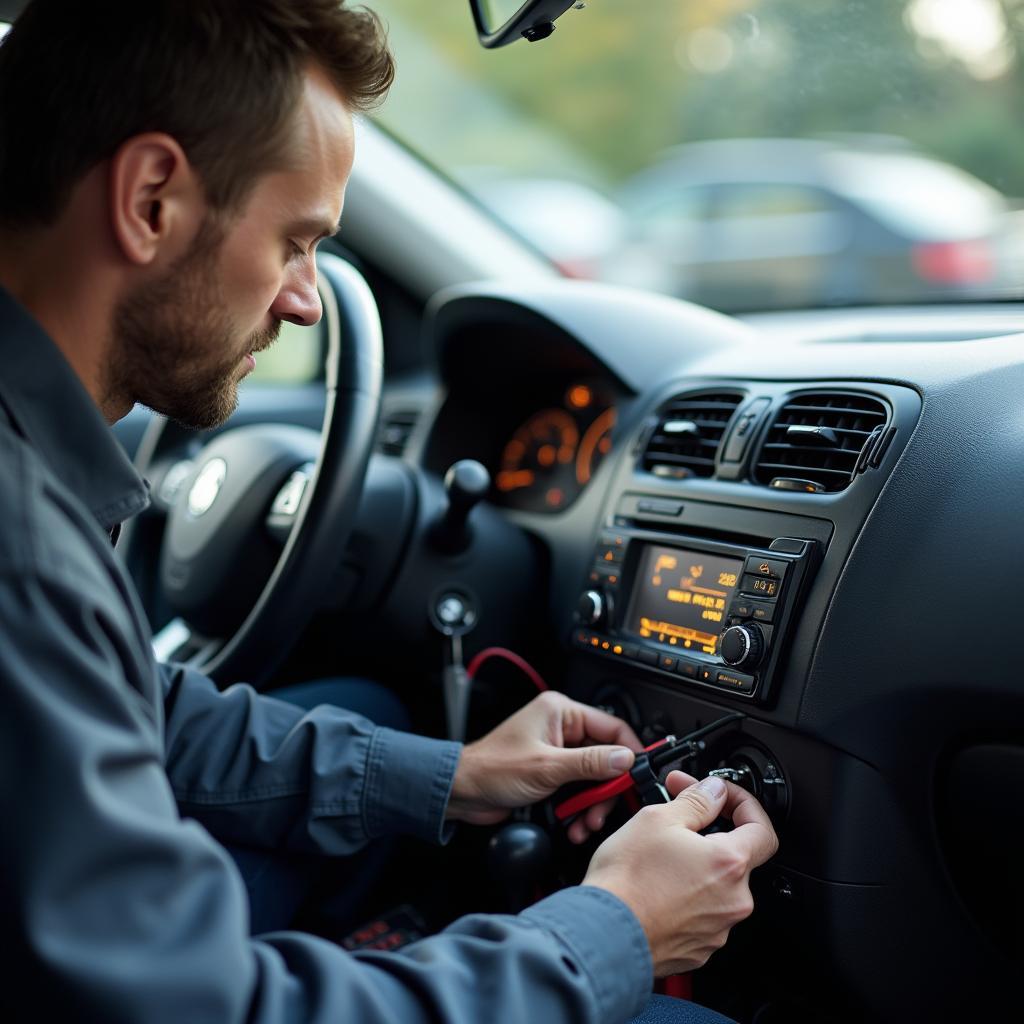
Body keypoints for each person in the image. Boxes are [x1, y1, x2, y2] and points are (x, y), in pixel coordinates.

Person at [0, 2, 778, 1022]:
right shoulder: (25, 552)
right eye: (295, 241)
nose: (305, 300)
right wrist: (613, 929)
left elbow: (131, 707)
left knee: (371, 714)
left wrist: (454, 774)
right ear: (151, 199)